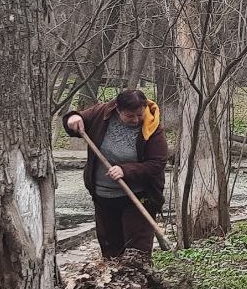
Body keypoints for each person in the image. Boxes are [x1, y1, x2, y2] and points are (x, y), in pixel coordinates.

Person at [63, 89, 169, 260]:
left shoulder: (153, 127)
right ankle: (113, 283)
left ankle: (139, 282)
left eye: (139, 115)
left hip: (138, 196)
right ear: (118, 110)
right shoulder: (101, 114)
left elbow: (157, 164)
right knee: (110, 247)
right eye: (129, 116)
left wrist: (125, 170)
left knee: (137, 249)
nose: (135, 120)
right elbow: (76, 120)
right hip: (103, 196)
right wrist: (73, 118)